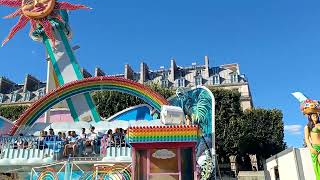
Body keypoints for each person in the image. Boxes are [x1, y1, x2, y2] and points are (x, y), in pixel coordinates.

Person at [302, 99, 320, 179]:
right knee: (317, 166)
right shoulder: (307, 127)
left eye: (316, 115)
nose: (315, 116)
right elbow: (306, 139)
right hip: (315, 147)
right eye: (313, 115)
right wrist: (311, 148)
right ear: (310, 117)